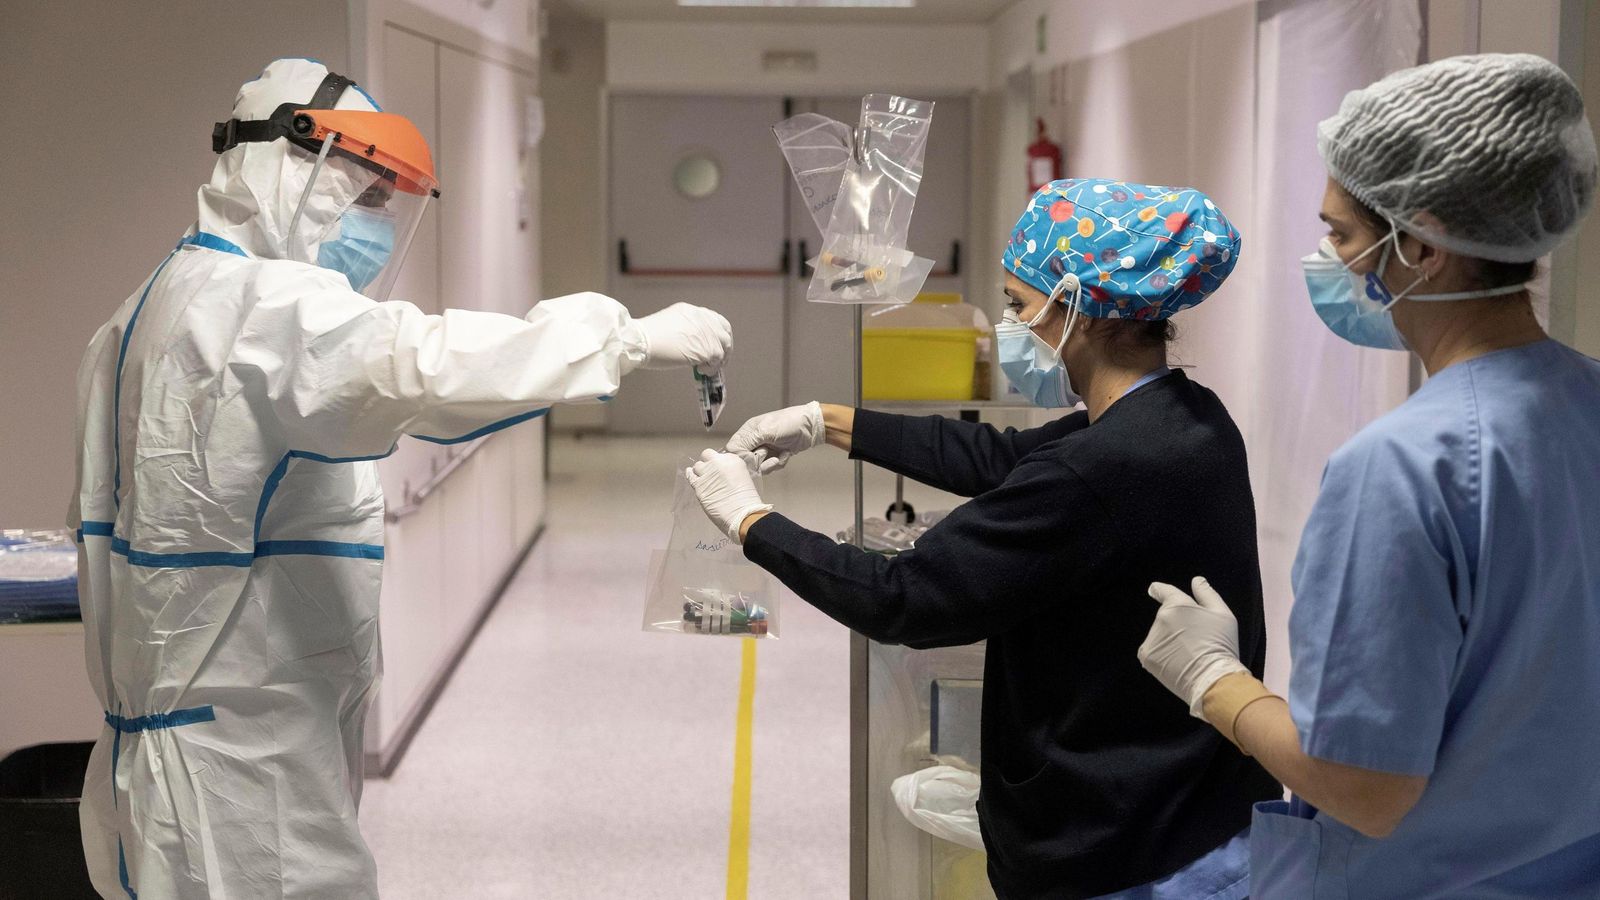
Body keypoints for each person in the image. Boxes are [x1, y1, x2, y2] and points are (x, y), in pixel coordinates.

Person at [68, 58, 731, 899]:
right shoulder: (264, 309)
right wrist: (624, 337)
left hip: (179, 752)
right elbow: (421, 365)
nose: (375, 224)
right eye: (366, 193)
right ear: (288, 163)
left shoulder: (142, 311)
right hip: (242, 774)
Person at [686, 178, 1281, 899]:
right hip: (1197, 811)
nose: (1011, 325)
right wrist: (829, 421)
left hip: (1127, 853)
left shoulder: (1101, 467)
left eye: (1020, 305)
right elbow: (1004, 458)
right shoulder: (1185, 418)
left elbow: (904, 599)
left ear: (1083, 310)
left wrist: (752, 521)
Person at [1136, 53, 1600, 898]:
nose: (1333, 260)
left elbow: (1363, 787)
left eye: (1343, 233)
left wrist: (1217, 684)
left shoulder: (1402, 468)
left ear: (1420, 244)